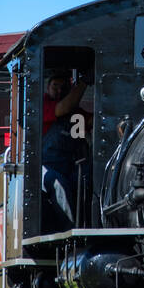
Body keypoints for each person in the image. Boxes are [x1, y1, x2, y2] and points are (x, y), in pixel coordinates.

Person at [41, 70, 91, 230]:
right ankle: (69, 230)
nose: (59, 90)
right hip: (44, 167)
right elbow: (62, 108)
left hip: (70, 166)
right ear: (47, 87)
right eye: (55, 86)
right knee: (57, 183)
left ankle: (91, 224)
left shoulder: (76, 114)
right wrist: (84, 84)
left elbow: (92, 120)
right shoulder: (43, 105)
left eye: (64, 87)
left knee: (88, 176)